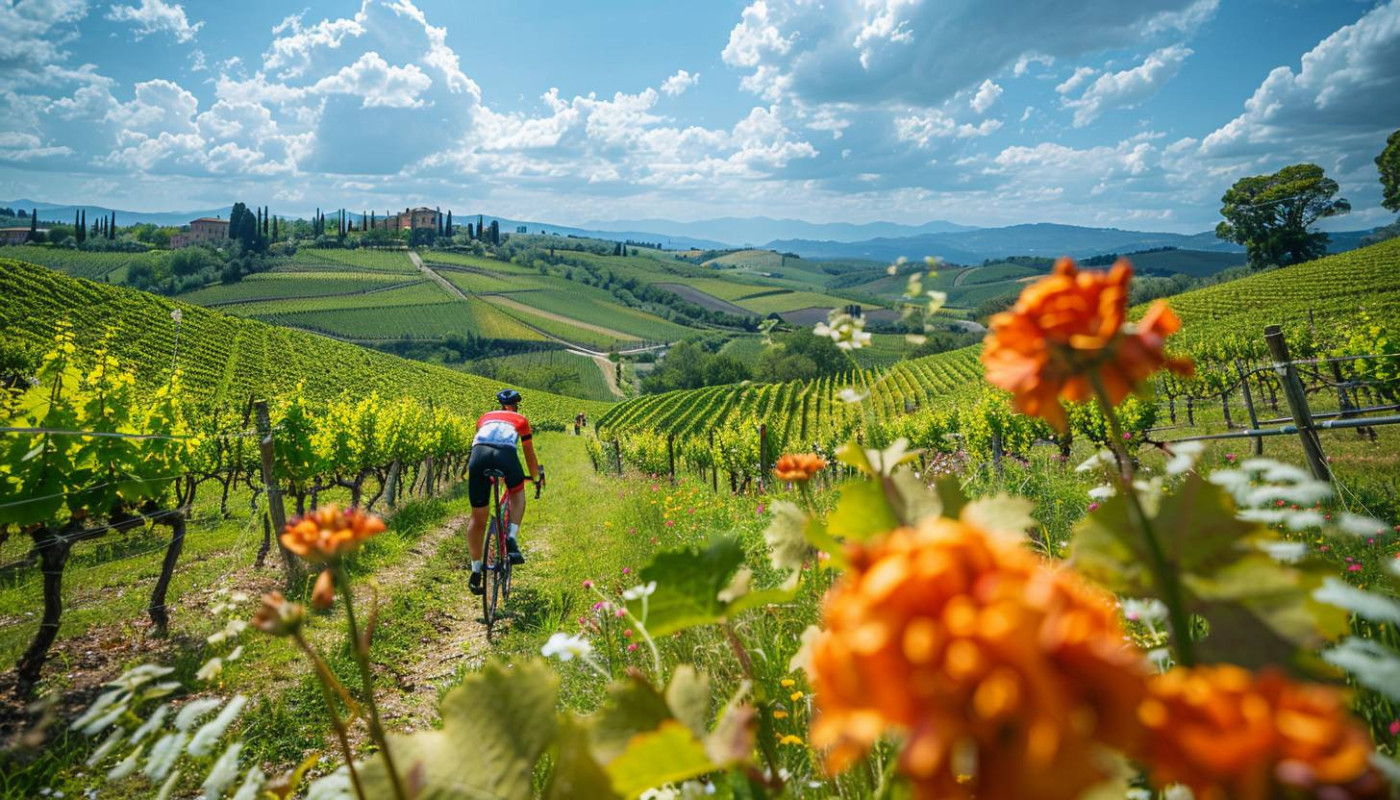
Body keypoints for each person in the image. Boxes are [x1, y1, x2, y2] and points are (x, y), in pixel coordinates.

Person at [465, 388, 539, 596]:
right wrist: (534, 477)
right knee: (517, 493)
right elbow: (529, 456)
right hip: (505, 456)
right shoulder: (521, 420)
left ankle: (476, 570)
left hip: (478, 457)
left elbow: (481, 443)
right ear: (517, 405)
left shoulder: (484, 418)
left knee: (477, 517)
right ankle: (512, 539)